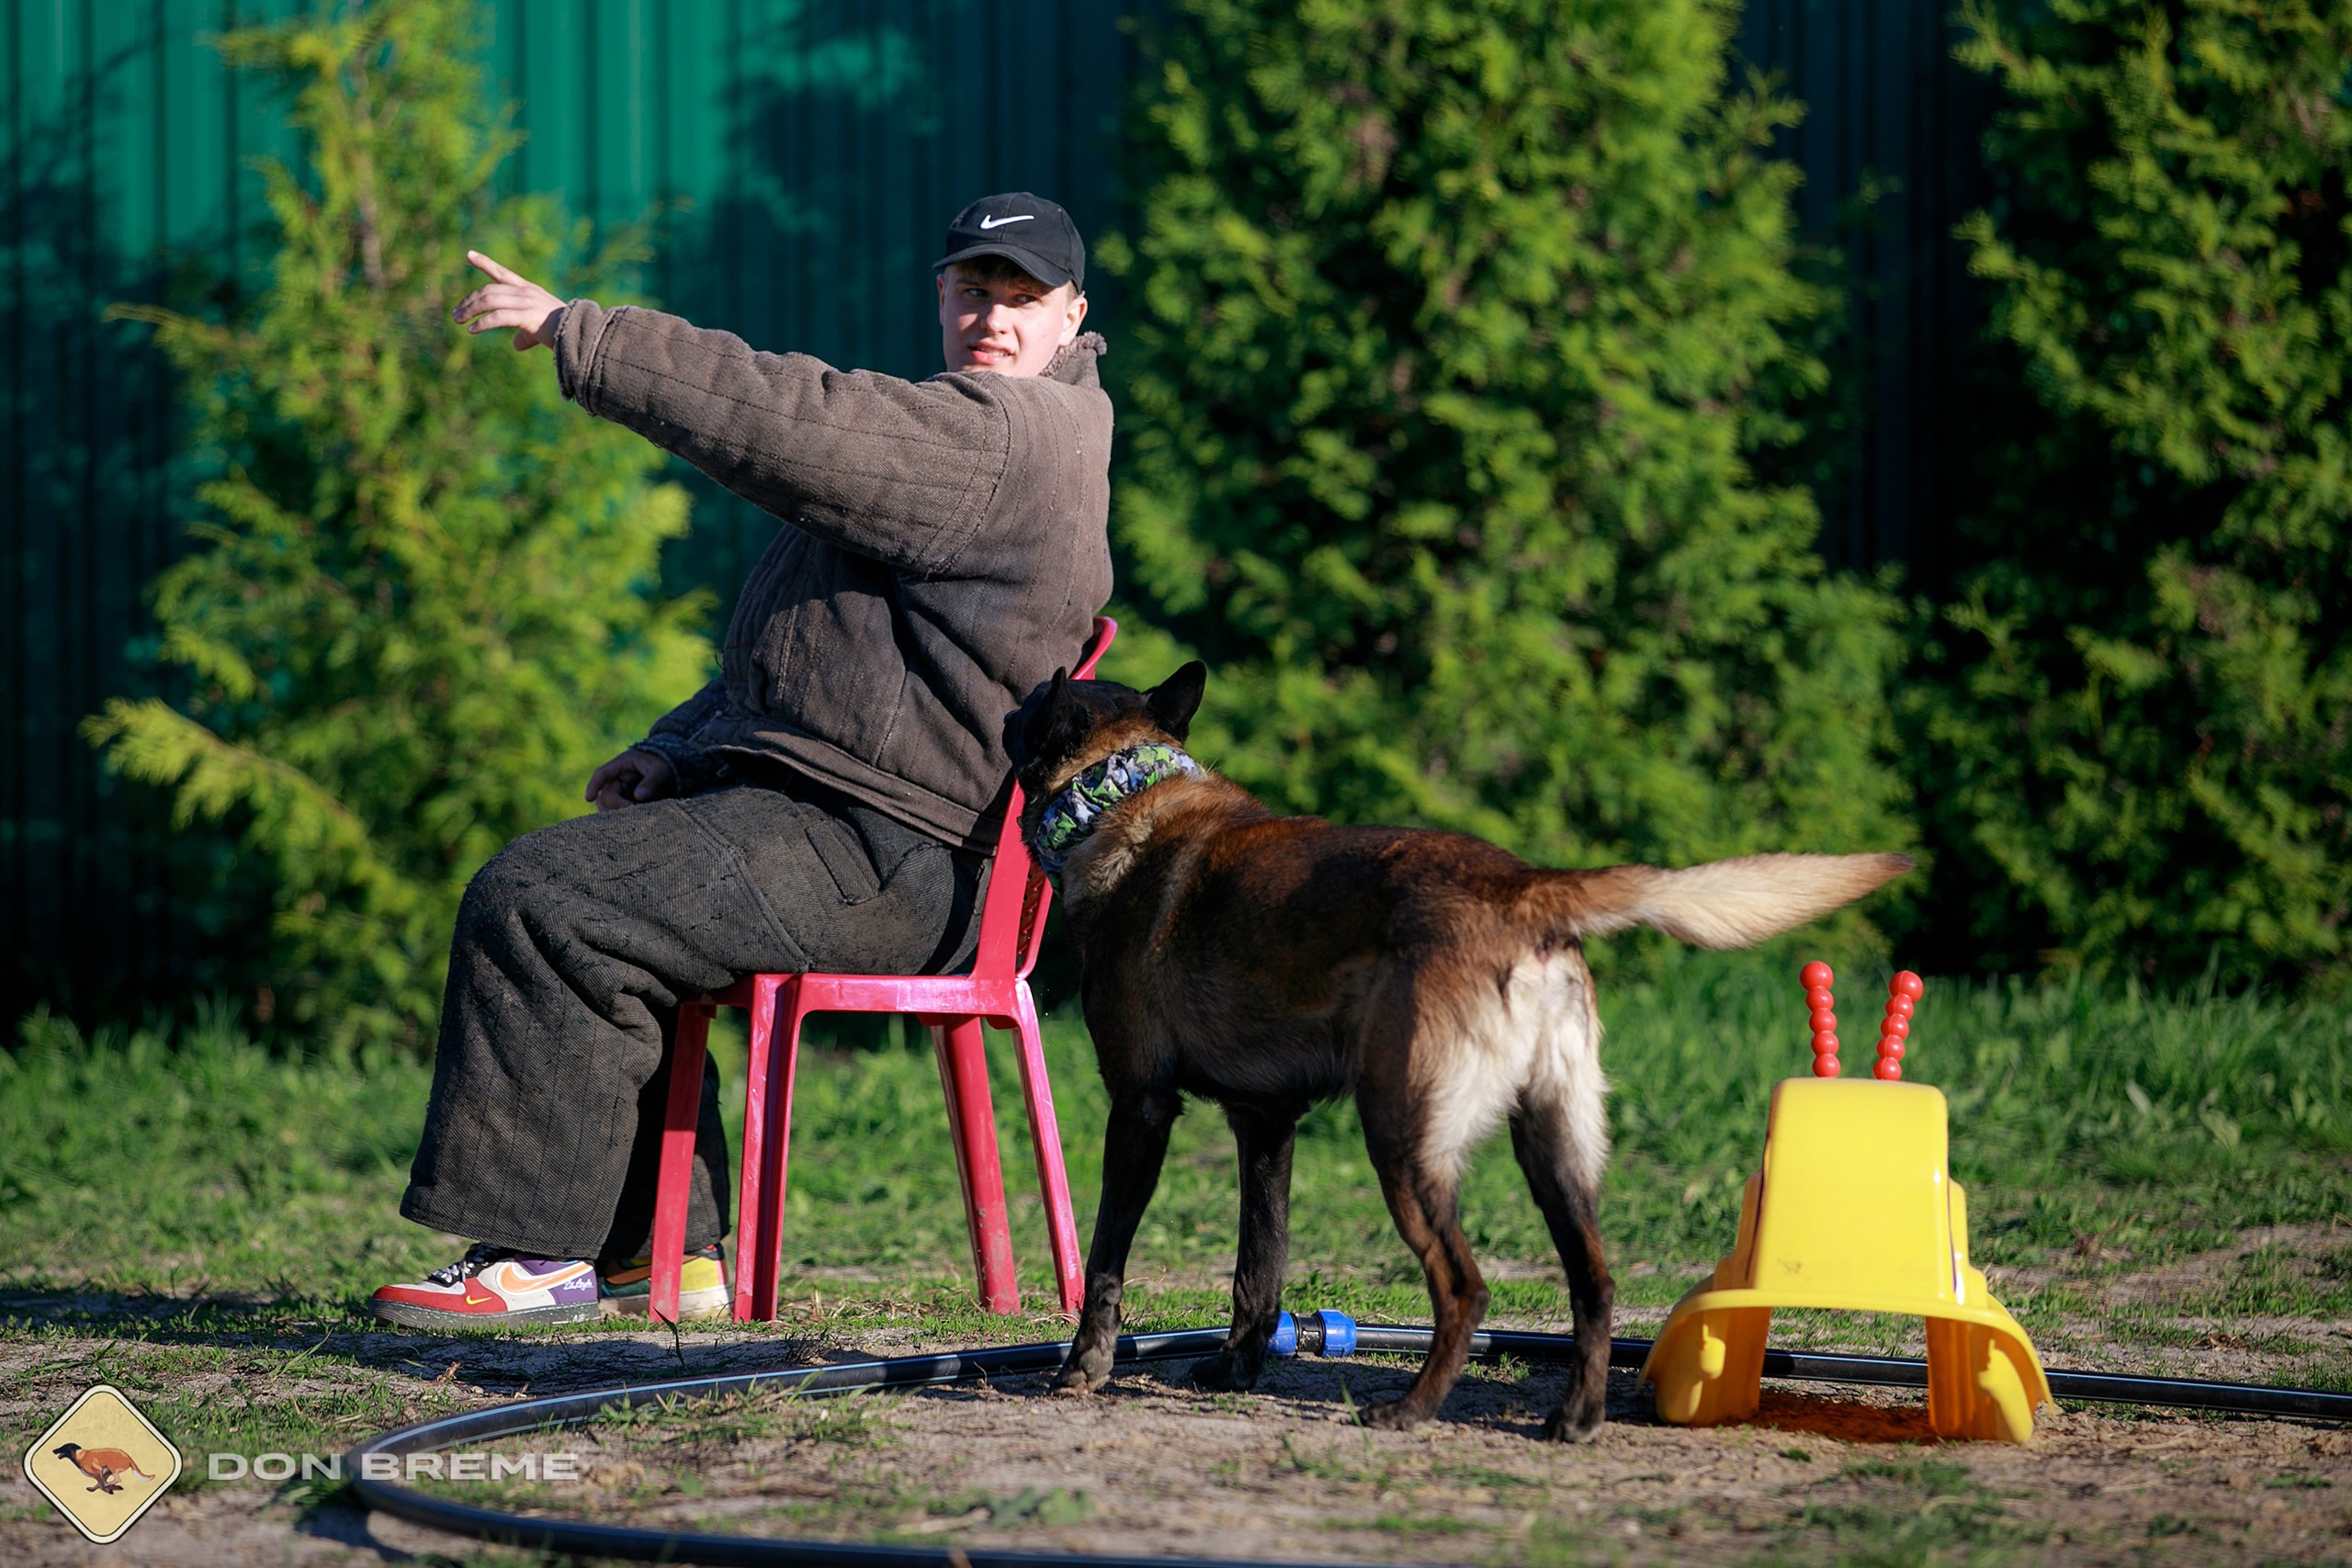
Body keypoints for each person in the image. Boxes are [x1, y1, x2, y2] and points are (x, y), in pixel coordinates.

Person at [368, 194, 1112, 1328]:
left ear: (1072, 317)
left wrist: (587, 335)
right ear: (942, 296)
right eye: (974, 291)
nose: (993, 320)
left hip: (896, 857)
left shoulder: (1008, 437)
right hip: (851, 829)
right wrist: (676, 749)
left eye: (1022, 300)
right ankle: (663, 1255)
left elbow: (789, 420)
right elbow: (809, 652)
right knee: (615, 890)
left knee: (543, 900)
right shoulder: (970, 435)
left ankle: (539, 1252)